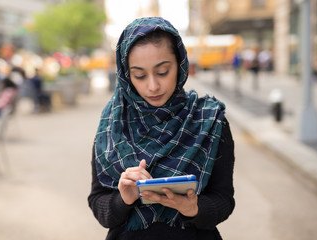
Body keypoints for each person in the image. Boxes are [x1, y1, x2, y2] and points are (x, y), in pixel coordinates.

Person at [88, 17, 235, 240]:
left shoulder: (209, 119)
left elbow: (223, 200)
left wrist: (192, 208)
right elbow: (99, 203)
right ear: (127, 75)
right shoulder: (112, 124)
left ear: (180, 64)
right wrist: (123, 198)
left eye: (163, 71)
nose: (153, 86)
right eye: (139, 75)